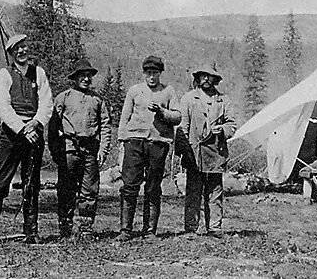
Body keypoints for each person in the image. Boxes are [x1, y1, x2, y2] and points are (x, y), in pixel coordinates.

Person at [0, 33, 53, 244]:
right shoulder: (3, 75)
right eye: (17, 49)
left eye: (24, 47)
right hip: (12, 134)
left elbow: (46, 102)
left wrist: (37, 123)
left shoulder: (38, 73)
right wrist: (23, 129)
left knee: (32, 182)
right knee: (1, 182)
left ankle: (31, 231)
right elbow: (3, 108)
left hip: (34, 131)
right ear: (11, 53)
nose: (22, 51)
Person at [116, 55, 181, 240]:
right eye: (149, 73)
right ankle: (125, 230)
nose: (152, 77)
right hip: (134, 142)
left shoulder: (168, 91)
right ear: (144, 74)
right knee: (129, 185)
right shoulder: (135, 91)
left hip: (158, 143)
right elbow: (124, 117)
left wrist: (162, 112)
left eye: (155, 73)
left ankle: (150, 230)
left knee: (153, 187)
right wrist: (122, 142)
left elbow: (177, 116)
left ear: (161, 73)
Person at [48, 58, 112, 239]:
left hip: (91, 149)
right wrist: (56, 151)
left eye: (88, 76)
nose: (85, 79)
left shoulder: (98, 100)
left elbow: (106, 126)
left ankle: (86, 228)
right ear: (75, 78)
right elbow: (53, 127)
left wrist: (103, 150)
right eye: (82, 76)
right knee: (66, 188)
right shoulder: (63, 97)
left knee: (89, 190)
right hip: (69, 148)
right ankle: (65, 227)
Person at [176, 64, 236, 236]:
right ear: (198, 78)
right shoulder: (188, 99)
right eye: (203, 76)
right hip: (194, 152)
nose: (206, 80)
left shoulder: (224, 100)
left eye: (210, 76)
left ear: (215, 79)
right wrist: (185, 150)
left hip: (216, 151)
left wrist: (223, 130)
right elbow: (183, 127)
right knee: (193, 191)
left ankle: (214, 228)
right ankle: (190, 228)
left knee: (215, 191)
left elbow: (232, 125)